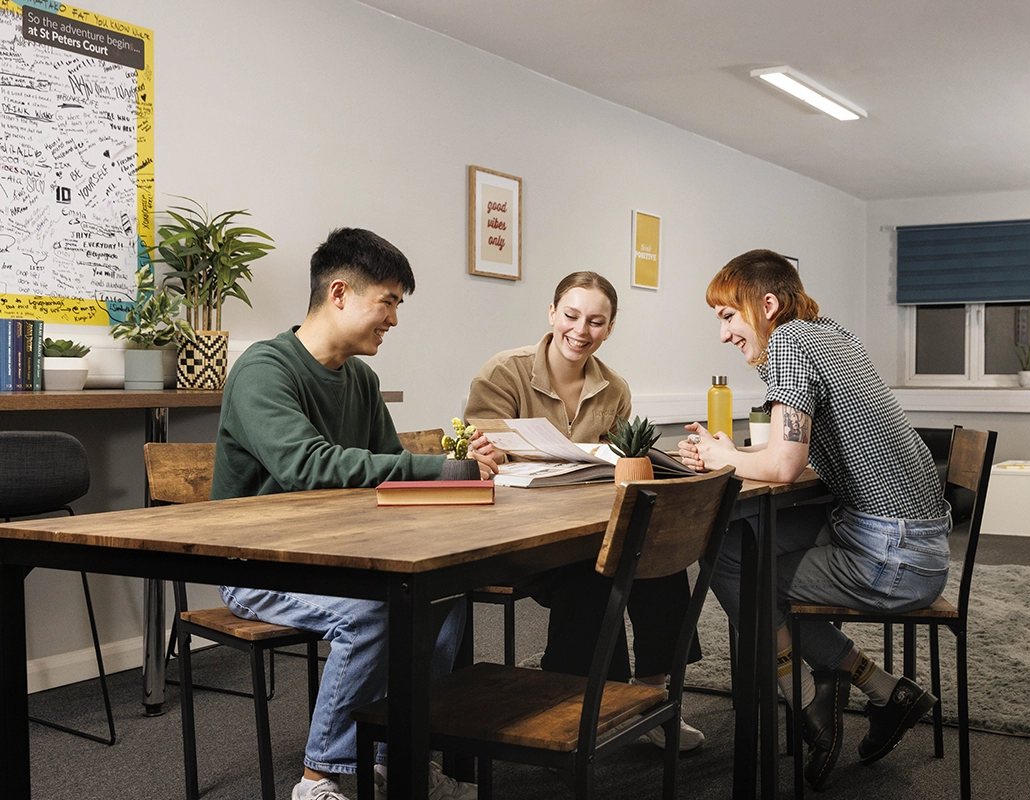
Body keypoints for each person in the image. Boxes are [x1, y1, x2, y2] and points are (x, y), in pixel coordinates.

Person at [212, 228, 494, 800]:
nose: (394, 319)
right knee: (370, 612)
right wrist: (437, 468)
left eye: (397, 305)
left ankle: (397, 762)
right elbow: (308, 466)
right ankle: (321, 777)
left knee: (445, 593)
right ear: (339, 293)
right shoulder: (263, 370)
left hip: (346, 552)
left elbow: (388, 469)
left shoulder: (361, 378)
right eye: (387, 301)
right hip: (257, 563)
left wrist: (460, 466)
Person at [676, 249, 948, 790]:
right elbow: (791, 457)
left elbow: (781, 463)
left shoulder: (789, 342)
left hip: (892, 555)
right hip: (910, 537)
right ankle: (879, 690)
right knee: (730, 545)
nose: (725, 334)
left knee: (745, 574)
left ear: (767, 305)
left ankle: (803, 697)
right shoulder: (829, 334)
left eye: (728, 316)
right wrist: (735, 455)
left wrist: (717, 458)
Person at [463, 271, 707, 751]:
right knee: (595, 574)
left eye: (596, 322)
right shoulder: (503, 372)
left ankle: (655, 700)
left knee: (658, 555)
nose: (581, 330)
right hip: (518, 534)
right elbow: (482, 457)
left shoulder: (614, 388)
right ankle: (587, 709)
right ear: (552, 313)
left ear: (610, 328)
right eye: (571, 316)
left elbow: (620, 461)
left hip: (586, 524)